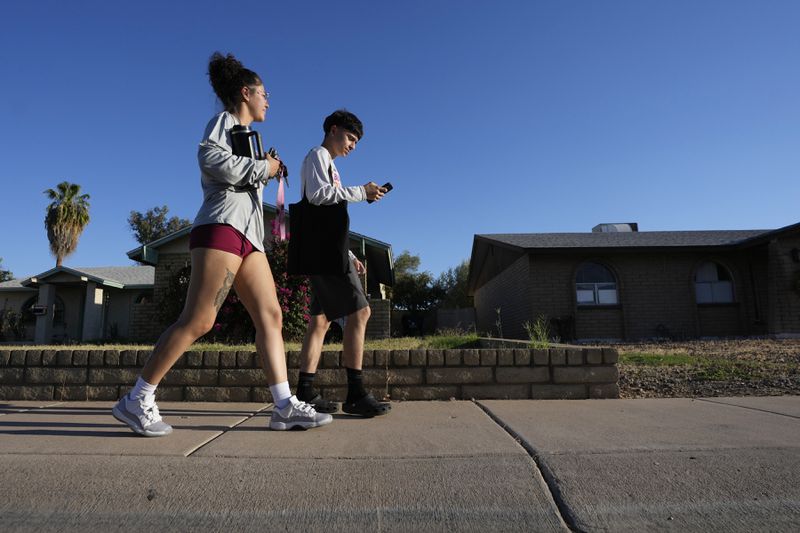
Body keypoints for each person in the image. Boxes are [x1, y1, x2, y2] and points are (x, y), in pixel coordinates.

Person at [112, 52, 332, 436]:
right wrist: (264, 168)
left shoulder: (247, 135)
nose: (268, 100)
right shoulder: (224, 121)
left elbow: (242, 175)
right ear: (245, 93)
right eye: (264, 93)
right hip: (221, 227)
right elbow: (211, 160)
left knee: (271, 316)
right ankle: (137, 399)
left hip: (250, 235)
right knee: (199, 319)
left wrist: (264, 166)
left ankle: (283, 406)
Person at [294, 110, 391, 417]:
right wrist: (362, 192)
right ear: (333, 129)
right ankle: (355, 394)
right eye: (350, 137)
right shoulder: (317, 156)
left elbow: (327, 217)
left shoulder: (330, 165)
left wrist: (348, 253)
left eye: (356, 141)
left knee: (320, 321)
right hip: (323, 252)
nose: (353, 145)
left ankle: (305, 393)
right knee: (361, 311)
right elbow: (319, 196)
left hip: (324, 248)